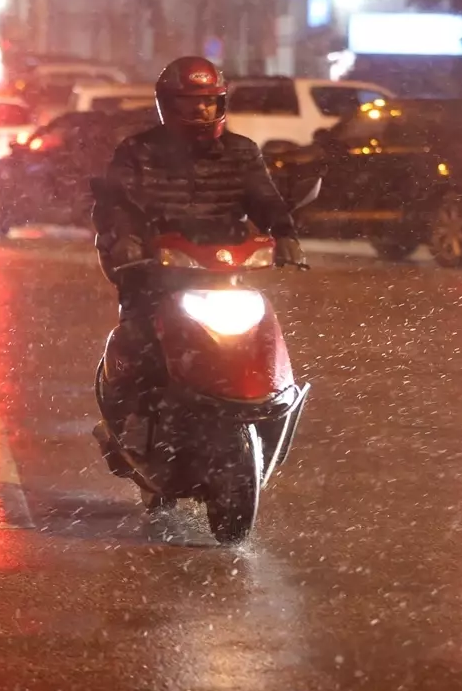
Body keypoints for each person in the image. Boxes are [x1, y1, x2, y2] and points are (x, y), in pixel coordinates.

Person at [90, 56, 305, 434]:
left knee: (255, 327)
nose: (201, 109)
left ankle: (268, 396)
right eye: (190, 102)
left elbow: (264, 198)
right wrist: (126, 240)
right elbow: (115, 205)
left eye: (209, 101)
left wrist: (285, 233)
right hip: (155, 268)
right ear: (168, 105)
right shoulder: (138, 152)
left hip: (222, 269)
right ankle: (130, 423)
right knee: (139, 336)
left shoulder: (241, 151)